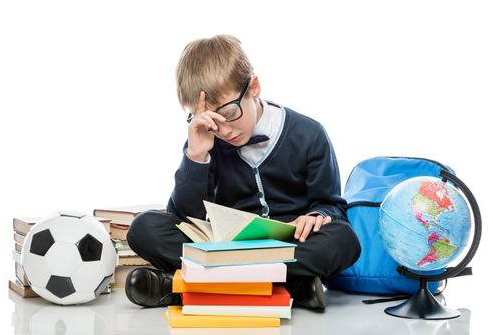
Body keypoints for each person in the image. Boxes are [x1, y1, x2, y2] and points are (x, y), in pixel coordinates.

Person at [126, 34, 361, 311]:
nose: (224, 131)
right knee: (144, 227)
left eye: (229, 113)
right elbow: (181, 218)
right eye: (213, 121)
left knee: (343, 239)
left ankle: (191, 288)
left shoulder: (310, 134)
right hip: (225, 247)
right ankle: (288, 285)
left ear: (254, 87)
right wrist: (196, 155)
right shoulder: (206, 143)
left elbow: (331, 205)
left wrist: (316, 216)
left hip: (287, 246)